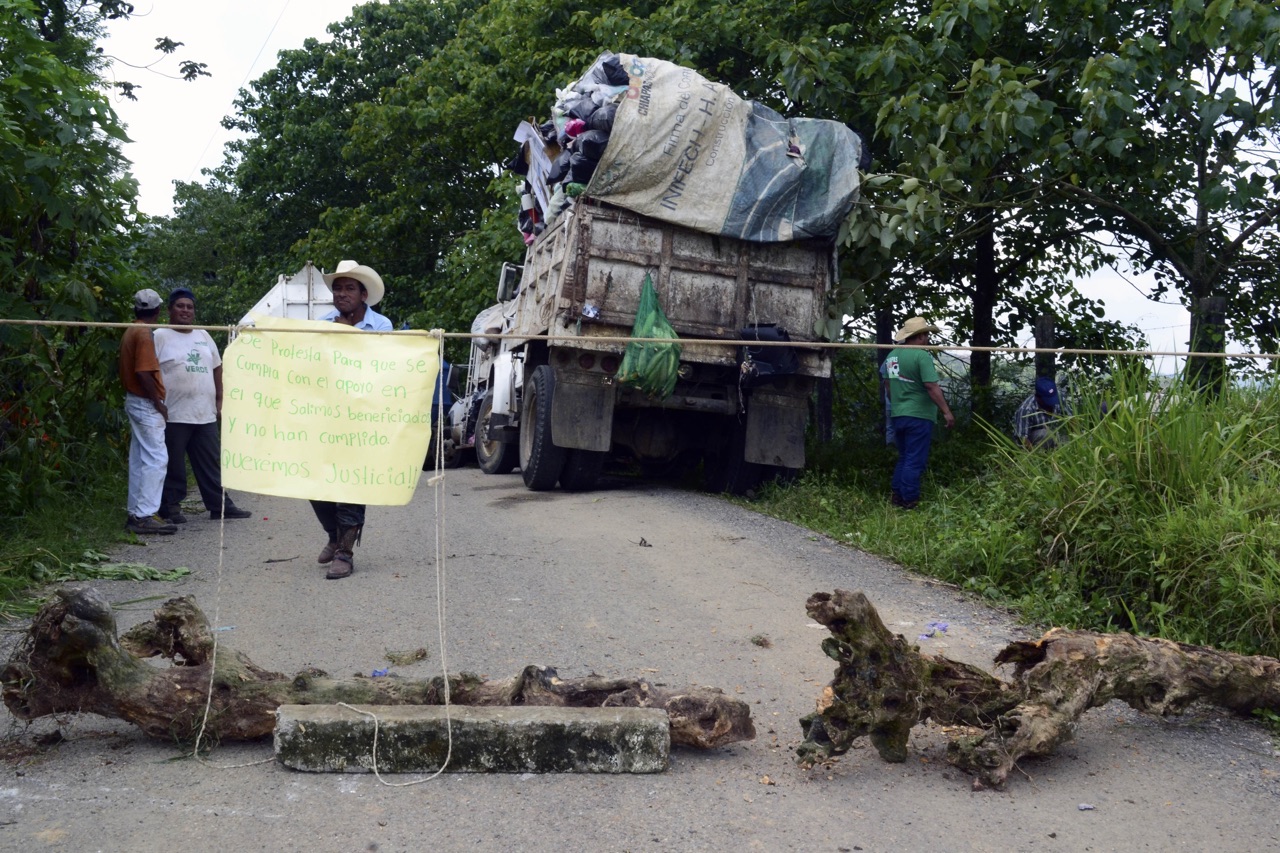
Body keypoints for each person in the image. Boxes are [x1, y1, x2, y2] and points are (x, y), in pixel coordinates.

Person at [312, 260, 393, 579]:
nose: (341, 294)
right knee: (314, 480)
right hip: (324, 416)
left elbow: (382, 369)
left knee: (350, 483)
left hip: (362, 418)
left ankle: (345, 552)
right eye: (337, 288)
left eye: (349, 288)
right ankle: (334, 536)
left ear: (363, 295)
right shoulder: (320, 325)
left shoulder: (381, 327)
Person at [153, 288, 252, 523]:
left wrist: (220, 399)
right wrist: (156, 401)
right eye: (180, 306)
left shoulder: (203, 335)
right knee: (173, 464)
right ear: (169, 310)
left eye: (189, 307)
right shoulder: (159, 336)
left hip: (204, 411)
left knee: (211, 462)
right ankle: (170, 507)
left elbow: (217, 367)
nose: (185, 311)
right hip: (174, 413)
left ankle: (220, 506)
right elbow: (150, 370)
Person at [118, 289, 176, 535]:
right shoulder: (143, 333)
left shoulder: (131, 329)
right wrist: (158, 403)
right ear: (158, 311)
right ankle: (143, 515)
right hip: (144, 402)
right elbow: (143, 372)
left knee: (141, 459)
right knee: (156, 458)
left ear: (136, 309)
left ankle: (136, 512)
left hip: (135, 399)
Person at [884, 316, 955, 509]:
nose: (928, 338)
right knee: (914, 460)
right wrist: (946, 411)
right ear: (921, 336)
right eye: (927, 334)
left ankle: (897, 496)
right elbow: (931, 386)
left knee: (905, 456)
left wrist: (898, 403)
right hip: (919, 415)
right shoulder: (922, 356)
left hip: (899, 414)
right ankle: (909, 500)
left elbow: (888, 384)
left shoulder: (892, 356)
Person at [1013, 376, 1069, 449]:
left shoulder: (1059, 397)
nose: (1052, 402)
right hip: (1032, 441)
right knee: (1045, 434)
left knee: (1066, 437)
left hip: (1054, 434)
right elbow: (1022, 438)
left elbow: (1071, 418)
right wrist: (1035, 456)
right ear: (1038, 397)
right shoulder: (1026, 409)